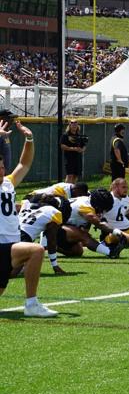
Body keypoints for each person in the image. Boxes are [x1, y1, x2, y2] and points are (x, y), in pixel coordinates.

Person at [0, 120, 59, 317]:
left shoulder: (7, 183)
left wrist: (29, 138)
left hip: (10, 243)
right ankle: (31, 304)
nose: (1, 170)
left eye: (2, 166)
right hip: (2, 245)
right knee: (36, 250)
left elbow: (24, 164)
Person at [58, 189, 126, 259]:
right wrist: (116, 232)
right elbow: (99, 224)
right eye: (102, 208)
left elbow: (87, 229)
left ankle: (52, 246)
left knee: (77, 251)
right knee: (83, 235)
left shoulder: (88, 201)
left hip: (60, 227)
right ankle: (111, 252)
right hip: (53, 227)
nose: (102, 212)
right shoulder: (85, 207)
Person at [19, 195, 70, 274]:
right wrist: (55, 265)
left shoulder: (27, 204)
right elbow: (51, 241)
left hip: (7, 234)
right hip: (22, 238)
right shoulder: (55, 212)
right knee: (38, 250)